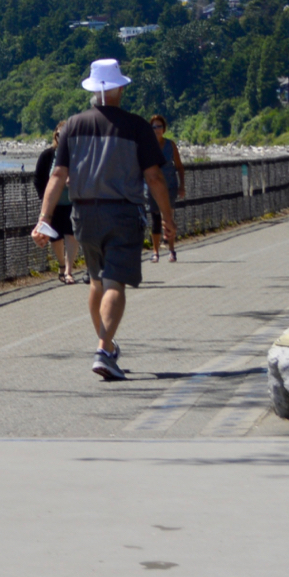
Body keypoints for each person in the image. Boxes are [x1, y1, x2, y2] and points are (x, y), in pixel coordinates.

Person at [34, 59, 175, 381]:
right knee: (115, 283)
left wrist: (43, 218)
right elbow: (154, 177)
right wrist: (167, 218)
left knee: (96, 280)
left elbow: (58, 175)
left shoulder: (72, 125)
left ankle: (107, 347)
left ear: (93, 91)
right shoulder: (137, 126)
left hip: (84, 214)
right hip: (123, 213)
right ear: (120, 88)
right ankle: (103, 349)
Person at [29, 145, 77, 282]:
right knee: (55, 238)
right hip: (53, 205)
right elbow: (38, 178)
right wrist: (44, 198)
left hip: (72, 202)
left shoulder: (76, 153)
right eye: (59, 135)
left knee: (71, 235)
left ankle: (68, 271)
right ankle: (61, 265)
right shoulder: (48, 155)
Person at [146, 114, 183, 262]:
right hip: (152, 188)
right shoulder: (147, 146)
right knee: (155, 219)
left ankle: (172, 250)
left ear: (164, 128)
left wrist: (182, 186)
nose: (156, 129)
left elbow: (179, 166)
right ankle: (155, 251)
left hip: (170, 187)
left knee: (168, 218)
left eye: (159, 126)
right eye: (153, 127)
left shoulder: (170, 145)